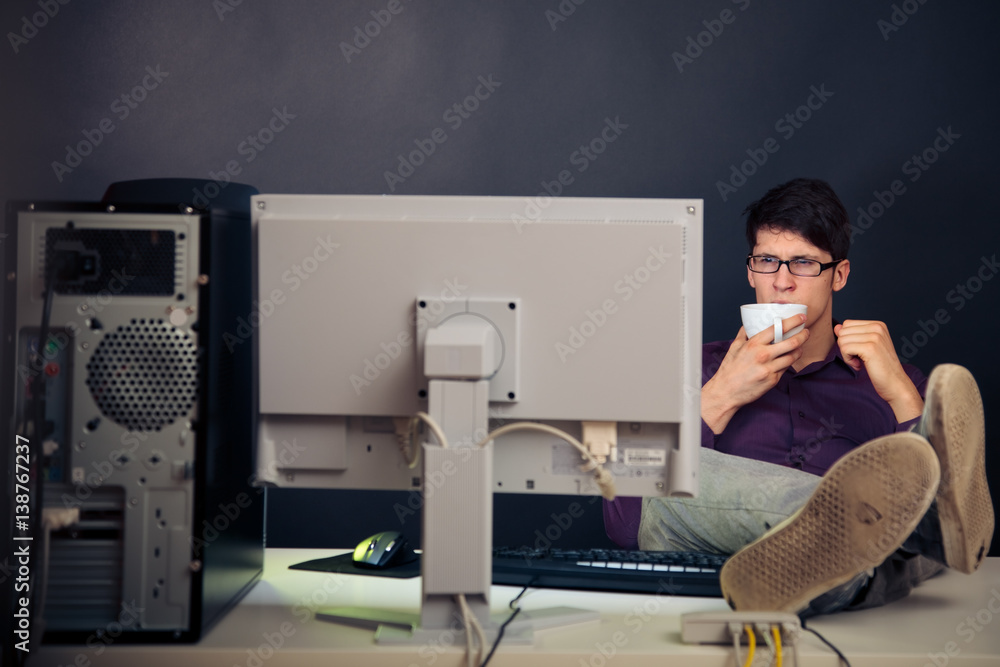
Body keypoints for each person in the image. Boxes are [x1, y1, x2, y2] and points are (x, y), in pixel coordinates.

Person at [604, 177, 994, 615]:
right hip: (720, 575)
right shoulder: (686, 370)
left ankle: (859, 546)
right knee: (668, 483)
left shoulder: (889, 377)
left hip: (788, 583)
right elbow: (626, 525)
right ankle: (877, 531)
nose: (783, 282)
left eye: (804, 263)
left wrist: (902, 395)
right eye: (768, 260)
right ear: (751, 270)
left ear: (839, 275)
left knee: (888, 515)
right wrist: (719, 396)